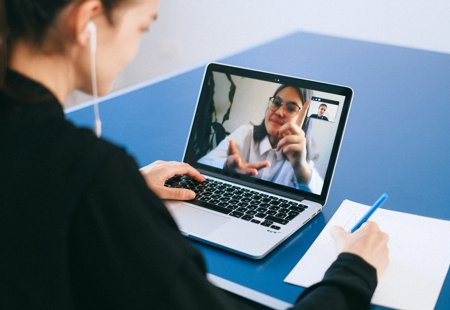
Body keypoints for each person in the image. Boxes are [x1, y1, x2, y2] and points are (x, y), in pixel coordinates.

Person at [0, 0, 389, 309]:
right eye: (142, 28)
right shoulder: (94, 175)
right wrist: (354, 271)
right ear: (87, 19)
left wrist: (126, 189)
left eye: (291, 108)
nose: (136, 49)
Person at [199, 85, 324, 193]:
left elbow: (319, 197)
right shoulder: (246, 133)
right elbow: (203, 164)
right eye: (276, 103)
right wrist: (226, 166)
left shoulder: (301, 158)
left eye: (291, 108)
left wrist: (300, 167)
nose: (279, 112)